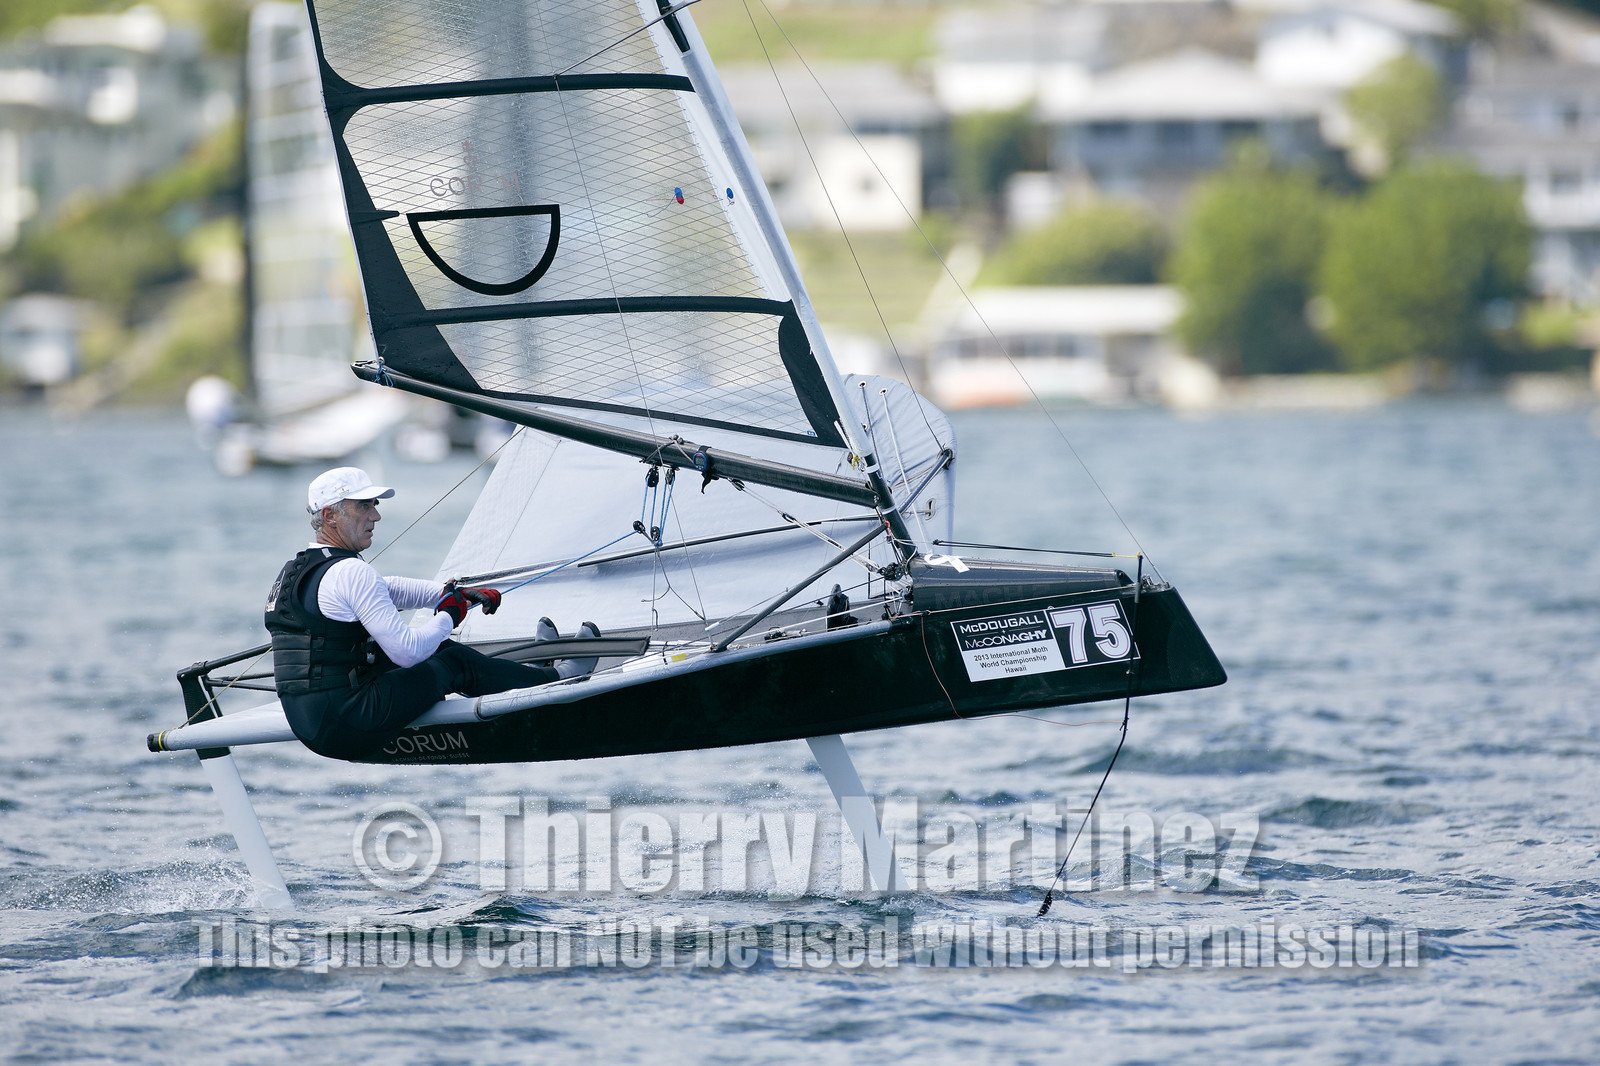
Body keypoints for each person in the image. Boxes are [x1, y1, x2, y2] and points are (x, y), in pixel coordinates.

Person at [265, 466, 597, 759]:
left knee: (434, 650)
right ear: (329, 516)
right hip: (348, 722)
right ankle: (556, 681)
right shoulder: (350, 572)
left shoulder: (299, 569)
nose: (376, 516)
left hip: (312, 723)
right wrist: (449, 615)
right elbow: (407, 652)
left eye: (375, 504)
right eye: (363, 506)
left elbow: (388, 589)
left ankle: (524, 678)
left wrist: (451, 594)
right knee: (450, 661)